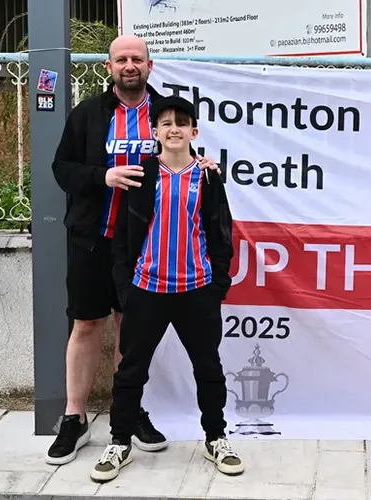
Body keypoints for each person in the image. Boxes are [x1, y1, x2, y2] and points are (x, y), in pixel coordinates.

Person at [47, 34, 220, 465]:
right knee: (86, 324)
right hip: (93, 238)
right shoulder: (89, 113)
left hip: (145, 248)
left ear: (149, 65)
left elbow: (181, 156)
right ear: (108, 66)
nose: (129, 65)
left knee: (131, 328)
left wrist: (204, 163)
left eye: (137, 59)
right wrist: (102, 177)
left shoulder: (164, 111)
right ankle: (74, 417)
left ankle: (129, 414)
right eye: (121, 59)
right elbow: (62, 168)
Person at [90, 95, 241, 482]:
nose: (174, 129)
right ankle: (120, 442)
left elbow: (222, 234)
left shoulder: (208, 176)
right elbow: (123, 237)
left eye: (182, 123)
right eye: (166, 123)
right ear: (155, 132)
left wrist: (217, 285)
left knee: (208, 368)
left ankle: (216, 438)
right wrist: (125, 288)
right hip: (147, 289)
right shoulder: (141, 174)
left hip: (196, 290)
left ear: (194, 131)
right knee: (130, 371)